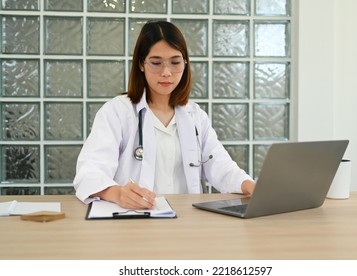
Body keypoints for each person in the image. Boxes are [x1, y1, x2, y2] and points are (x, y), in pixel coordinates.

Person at [73, 21, 255, 209]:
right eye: (156, 63)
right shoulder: (117, 112)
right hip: (134, 221)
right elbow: (89, 172)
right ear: (141, 65)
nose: (166, 73)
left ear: (185, 64)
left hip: (186, 221)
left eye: (175, 62)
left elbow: (220, 165)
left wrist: (251, 187)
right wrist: (116, 193)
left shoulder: (195, 115)